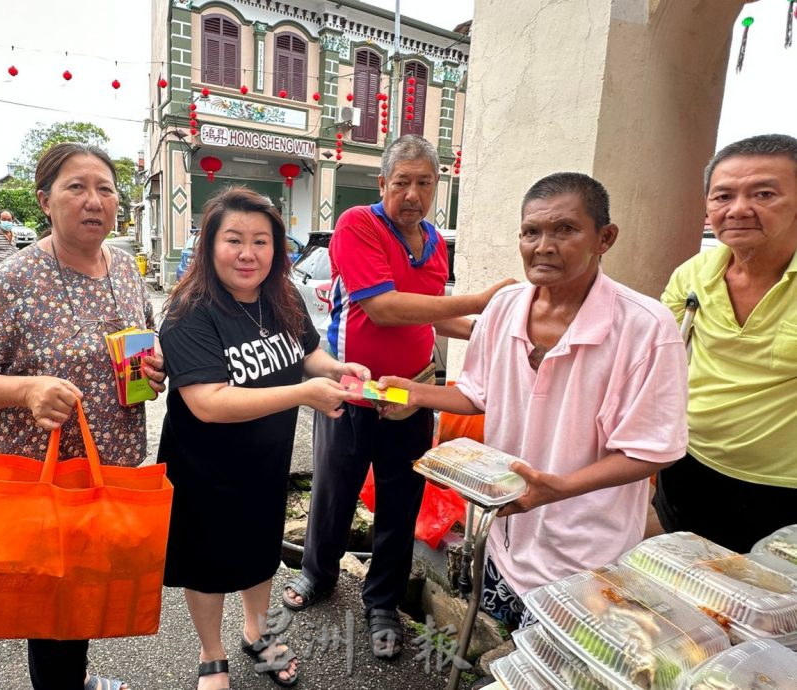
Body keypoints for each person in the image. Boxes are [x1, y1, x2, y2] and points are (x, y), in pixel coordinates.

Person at [378, 172, 689, 629]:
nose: (543, 245)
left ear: (605, 238)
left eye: (565, 230)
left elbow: (650, 450)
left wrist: (556, 490)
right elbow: (477, 394)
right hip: (506, 535)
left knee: (557, 665)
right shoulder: (504, 308)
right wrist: (409, 392)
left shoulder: (646, 328)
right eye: (531, 232)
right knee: (506, 647)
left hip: (586, 552)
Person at [0, 143, 166, 690]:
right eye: (76, 187)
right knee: (50, 605)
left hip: (109, 472)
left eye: (105, 189)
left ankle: (75, 678)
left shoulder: (128, 271)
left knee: (85, 592)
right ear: (45, 200)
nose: (94, 200)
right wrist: (26, 390)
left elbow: (144, 344)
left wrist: (152, 372)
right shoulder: (15, 278)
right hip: (43, 478)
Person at [282, 134, 511, 658]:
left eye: (424, 183)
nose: (412, 193)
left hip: (414, 393)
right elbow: (383, 308)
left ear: (437, 188)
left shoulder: (432, 242)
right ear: (382, 183)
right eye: (401, 182)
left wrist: (486, 328)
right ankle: (318, 574)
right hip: (351, 390)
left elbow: (433, 311)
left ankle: (382, 600)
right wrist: (478, 298)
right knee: (334, 492)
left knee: (400, 502)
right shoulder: (358, 224)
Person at [156, 186, 367, 690]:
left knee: (258, 554)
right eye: (234, 240)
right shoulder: (191, 311)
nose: (248, 254)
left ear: (277, 249)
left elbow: (307, 354)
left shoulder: (282, 296)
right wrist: (302, 394)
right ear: (209, 246)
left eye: (261, 241)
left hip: (264, 463)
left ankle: (257, 632)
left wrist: (337, 369)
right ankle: (212, 654)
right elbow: (207, 402)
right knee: (205, 566)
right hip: (204, 469)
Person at [653, 134, 797, 553]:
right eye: (723, 196)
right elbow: (655, 354)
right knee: (694, 582)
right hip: (689, 464)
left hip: (782, 488)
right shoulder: (695, 273)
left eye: (764, 193)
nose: (737, 209)